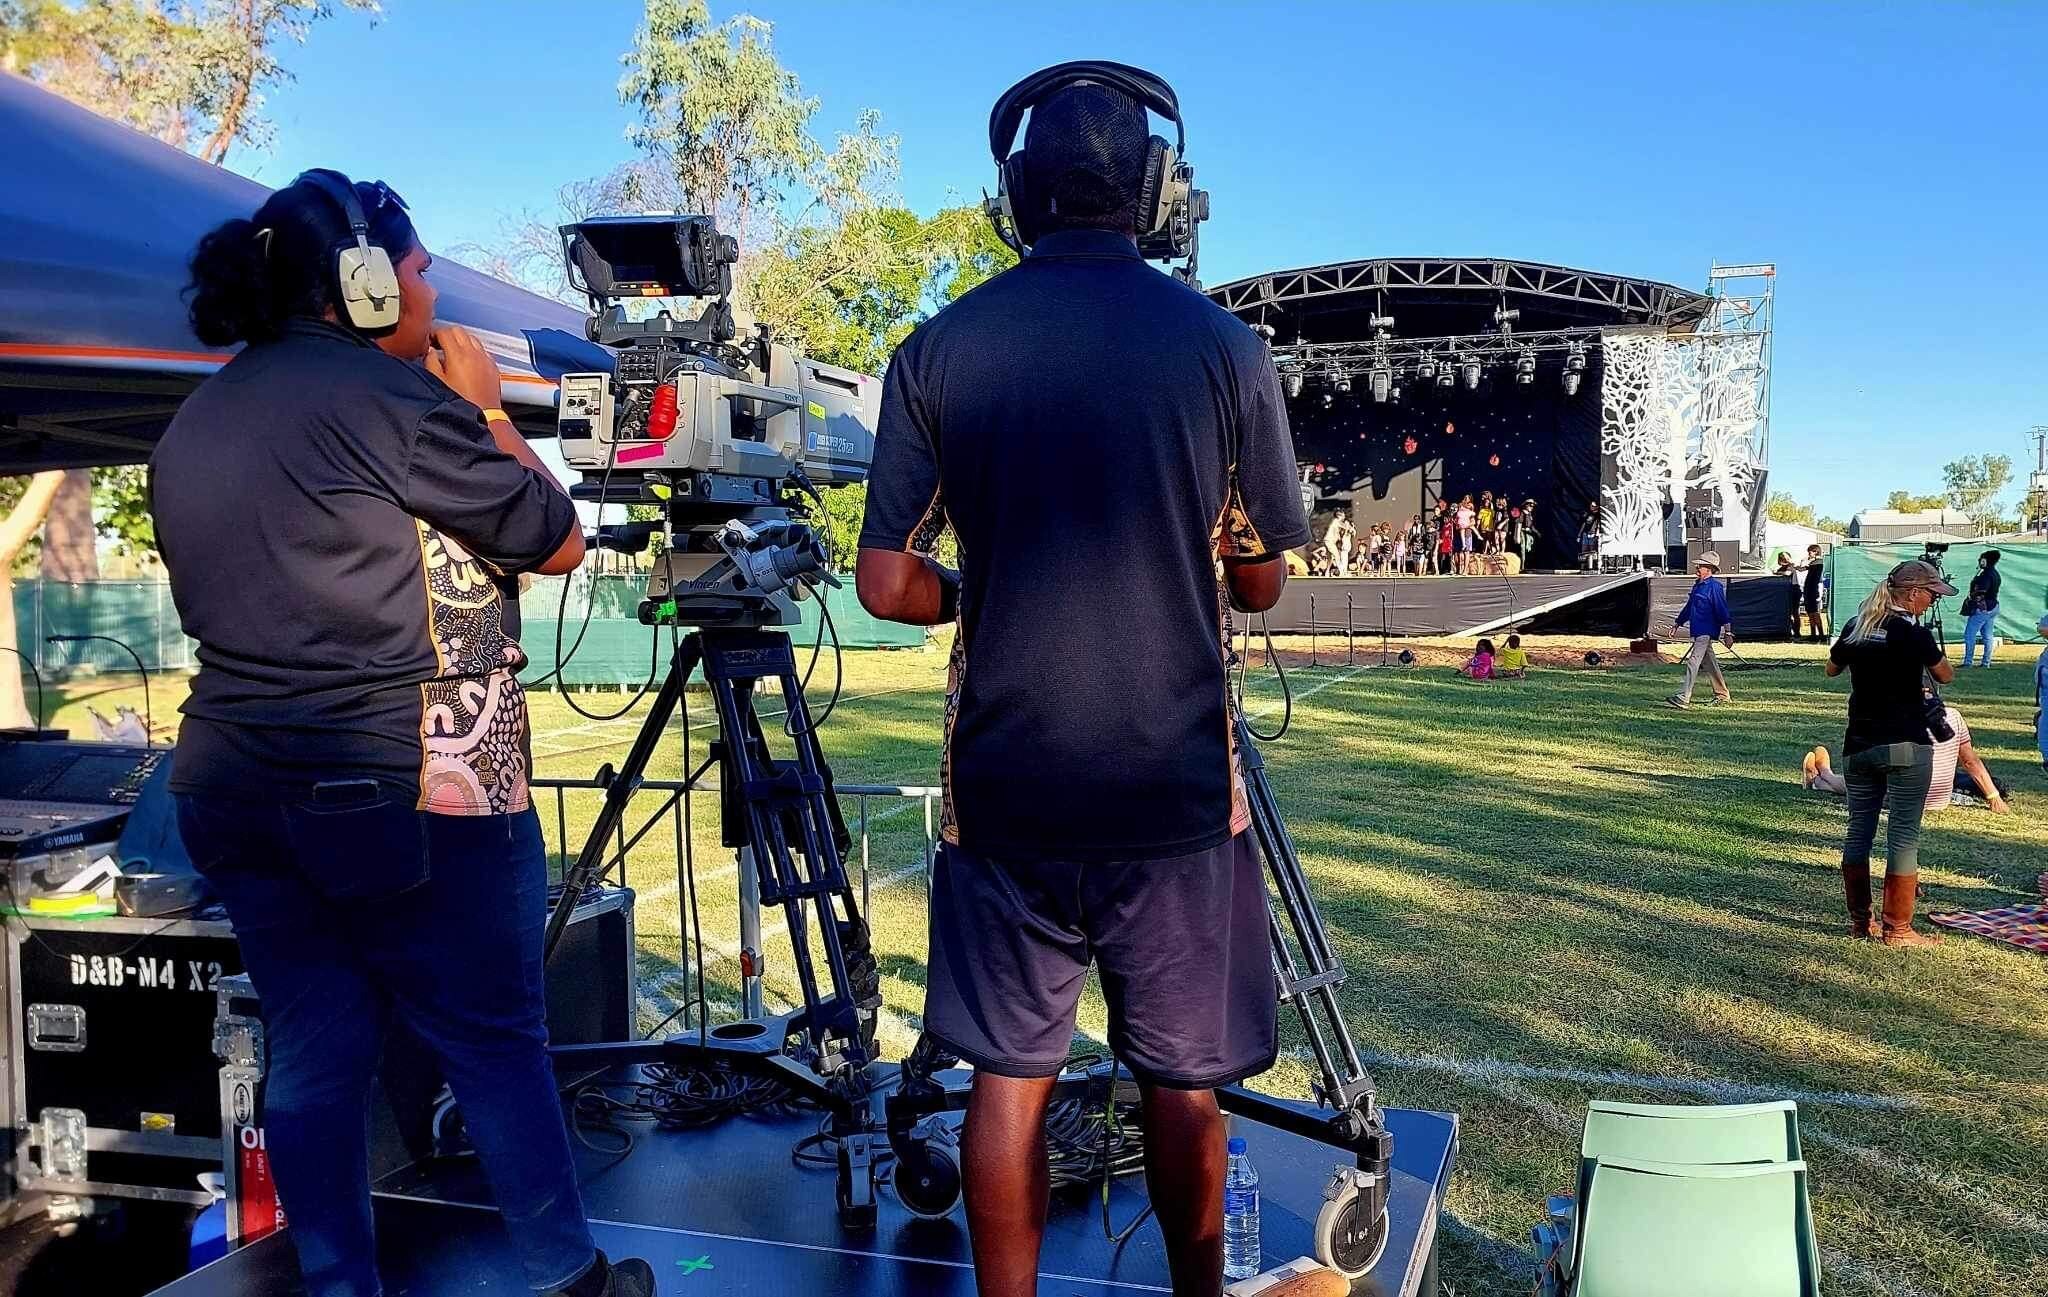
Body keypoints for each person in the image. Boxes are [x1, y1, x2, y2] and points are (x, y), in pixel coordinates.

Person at [150, 173, 652, 1297]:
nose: (432, 295)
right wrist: (477, 405)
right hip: (399, 785)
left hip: (231, 784)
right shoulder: (387, 403)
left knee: (316, 1050)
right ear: (366, 285)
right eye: (422, 272)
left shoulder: (197, 418)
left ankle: (340, 1287)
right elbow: (553, 539)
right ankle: (568, 1276)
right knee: (491, 1036)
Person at [853, 67, 1302, 1297]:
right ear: (1153, 194)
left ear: (1013, 195)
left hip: (1006, 793)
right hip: (1170, 794)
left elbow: (887, 584)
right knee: (1182, 1083)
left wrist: (977, 593)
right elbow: (1260, 584)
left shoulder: (935, 350)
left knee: (1009, 1079)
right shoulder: (1223, 350)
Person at [1823, 560, 1956, 945]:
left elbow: (1832, 669)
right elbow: (1946, 675)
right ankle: (1898, 929)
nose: (1932, 602)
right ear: (1912, 593)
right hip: (1906, 745)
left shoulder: (1856, 626)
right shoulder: (1913, 635)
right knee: (1902, 837)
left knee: (1858, 832)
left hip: (1858, 746)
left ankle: (1860, 922)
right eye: (1931, 594)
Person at [1803, 693, 2011, 815]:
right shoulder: (1954, 716)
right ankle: (1820, 782)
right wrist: (1993, 797)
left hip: (1902, 799)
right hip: (1939, 800)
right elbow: (1969, 760)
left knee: (1866, 779)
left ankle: (1824, 776)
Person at [1666, 551, 1734, 709]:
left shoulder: (1714, 587)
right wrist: (1677, 624)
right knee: (1709, 663)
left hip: (1707, 630)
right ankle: (1722, 694)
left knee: (1693, 662)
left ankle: (1684, 697)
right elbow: (1689, 607)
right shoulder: (1698, 585)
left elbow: (1722, 610)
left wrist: (1728, 633)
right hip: (1698, 630)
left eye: (1701, 566)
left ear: (1709, 569)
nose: (1697, 567)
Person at [1959, 549, 2002, 667]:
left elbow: (1981, 591)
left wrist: (1973, 602)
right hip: (1993, 607)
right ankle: (1986, 662)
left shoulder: (1986, 575)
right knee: (1988, 635)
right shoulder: (1995, 573)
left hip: (1983, 608)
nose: (1979, 561)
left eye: (1981, 559)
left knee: (1970, 634)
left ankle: (1968, 662)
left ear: (1985, 561)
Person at [1801, 543, 1827, 641]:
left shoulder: (1819, 562)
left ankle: (1821, 634)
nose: (1809, 554)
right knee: (1810, 613)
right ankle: (1813, 634)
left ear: (1815, 552)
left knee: (1815, 613)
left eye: (1810, 552)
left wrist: (1808, 561)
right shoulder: (1813, 563)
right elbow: (1802, 568)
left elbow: (1807, 565)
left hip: (1814, 590)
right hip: (1808, 590)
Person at [1322, 511, 1356, 577]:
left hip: (1330, 541)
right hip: (1329, 541)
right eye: (1343, 515)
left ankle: (1327, 572)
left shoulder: (1336, 523)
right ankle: (1342, 572)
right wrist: (1350, 527)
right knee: (1337, 556)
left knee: (1330, 558)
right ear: (1339, 516)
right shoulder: (1336, 521)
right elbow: (1345, 526)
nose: (1344, 517)